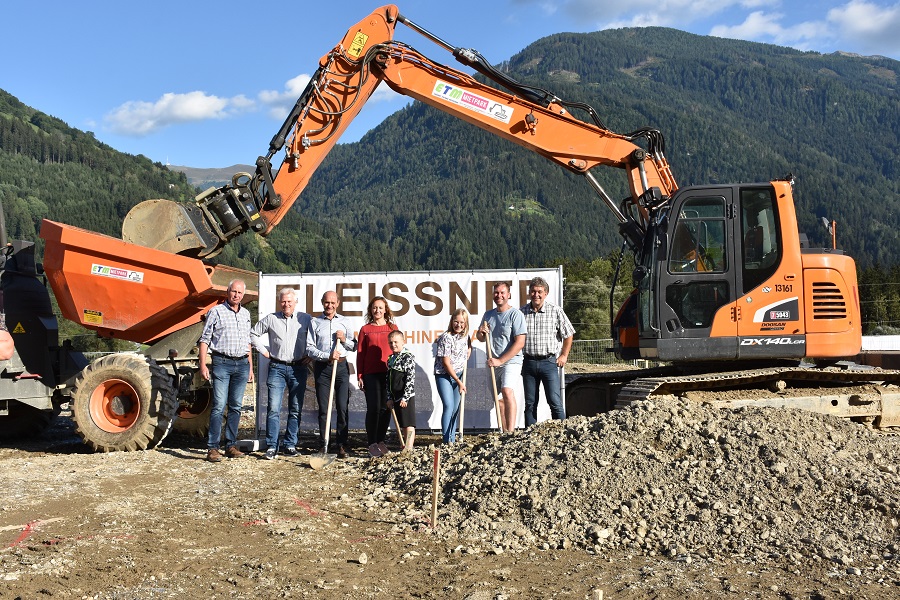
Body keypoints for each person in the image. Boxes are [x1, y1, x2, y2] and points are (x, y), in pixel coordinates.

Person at [251, 288, 312, 460]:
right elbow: (253, 334)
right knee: (273, 408)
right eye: (283, 301)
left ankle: (290, 445)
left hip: (298, 368)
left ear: (296, 302)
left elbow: (316, 338)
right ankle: (272, 446)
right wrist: (264, 351)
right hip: (276, 367)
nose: (286, 304)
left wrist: (311, 354)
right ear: (280, 302)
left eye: (289, 302)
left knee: (295, 408)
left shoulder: (305, 319)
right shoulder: (271, 318)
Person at [198, 279, 253, 463]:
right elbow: (205, 339)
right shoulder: (216, 312)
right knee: (219, 405)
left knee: (236, 406)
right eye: (233, 291)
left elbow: (248, 343)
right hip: (221, 362)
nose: (236, 295)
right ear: (227, 292)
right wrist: (203, 364)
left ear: (243, 295)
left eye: (239, 293)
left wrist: (250, 367)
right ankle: (213, 448)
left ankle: (230, 445)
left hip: (242, 364)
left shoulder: (245, 314)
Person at [306, 290, 356, 459]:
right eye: (327, 302)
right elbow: (309, 348)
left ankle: (342, 444)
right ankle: (323, 444)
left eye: (333, 302)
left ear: (338, 303)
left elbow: (354, 346)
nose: (330, 305)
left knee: (342, 407)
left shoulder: (345, 322)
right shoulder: (315, 322)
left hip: (341, 368)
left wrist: (344, 340)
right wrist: (326, 356)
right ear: (322, 302)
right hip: (323, 368)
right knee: (324, 409)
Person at [520, 276, 575, 427]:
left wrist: (564, 355)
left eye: (539, 291)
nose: (536, 295)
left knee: (554, 401)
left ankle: (562, 433)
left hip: (549, 362)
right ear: (529, 293)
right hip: (528, 363)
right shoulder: (521, 312)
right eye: (533, 291)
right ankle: (529, 435)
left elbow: (569, 334)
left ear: (546, 293)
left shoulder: (555, 311)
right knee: (530, 403)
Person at [476, 281, 526, 433]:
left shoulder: (515, 315)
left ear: (508, 295)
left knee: (507, 390)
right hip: (493, 362)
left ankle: (511, 432)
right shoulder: (488, 315)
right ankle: (504, 432)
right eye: (496, 293)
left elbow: (520, 343)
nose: (499, 295)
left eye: (502, 292)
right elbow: (480, 338)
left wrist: (501, 360)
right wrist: (481, 332)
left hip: (511, 361)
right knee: (498, 399)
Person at [356, 296, 399, 458]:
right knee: (373, 408)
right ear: (370, 310)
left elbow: (398, 349)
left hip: (388, 373)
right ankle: (372, 443)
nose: (377, 311)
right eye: (374, 308)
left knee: (386, 408)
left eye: (380, 308)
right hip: (370, 374)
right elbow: (360, 354)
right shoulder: (365, 330)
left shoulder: (392, 327)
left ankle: (381, 441)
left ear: (385, 310)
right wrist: (360, 375)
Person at [434, 309, 471, 444]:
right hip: (444, 375)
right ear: (451, 321)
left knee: (456, 408)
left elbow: (468, 346)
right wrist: (458, 381)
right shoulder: (446, 338)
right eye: (456, 321)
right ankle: (445, 440)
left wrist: (469, 350)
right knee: (449, 406)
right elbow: (445, 363)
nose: (458, 325)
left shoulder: (465, 337)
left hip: (459, 374)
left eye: (462, 322)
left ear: (466, 323)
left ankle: (452, 439)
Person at [386, 330, 416, 452]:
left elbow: (410, 378)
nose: (393, 345)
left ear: (403, 342)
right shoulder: (391, 359)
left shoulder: (407, 357)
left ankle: (409, 446)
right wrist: (389, 397)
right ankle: (404, 444)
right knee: (402, 423)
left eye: (396, 342)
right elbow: (388, 379)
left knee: (408, 423)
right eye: (390, 342)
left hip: (405, 396)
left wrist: (406, 397)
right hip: (395, 396)